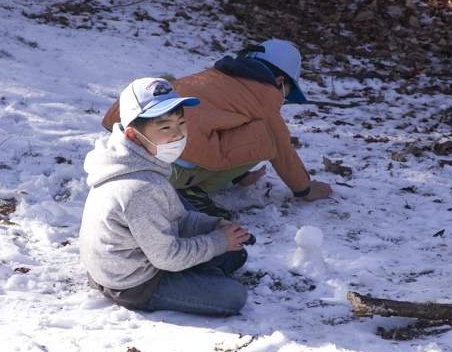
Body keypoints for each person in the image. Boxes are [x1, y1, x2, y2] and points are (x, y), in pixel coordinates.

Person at [102, 39, 333, 219]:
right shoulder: (266, 95)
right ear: (280, 81)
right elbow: (282, 149)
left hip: (136, 146)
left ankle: (136, 146)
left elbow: (218, 123)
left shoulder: (217, 75)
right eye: (287, 92)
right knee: (267, 135)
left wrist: (239, 174)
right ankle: (192, 192)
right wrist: (305, 188)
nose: (284, 99)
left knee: (169, 84)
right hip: (171, 171)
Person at [79, 77, 250, 316]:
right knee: (233, 295)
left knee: (236, 250)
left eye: (181, 123)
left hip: (120, 263)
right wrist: (217, 242)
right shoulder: (141, 189)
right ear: (133, 135)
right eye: (165, 127)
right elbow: (167, 257)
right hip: (132, 283)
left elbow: (174, 216)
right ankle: (198, 273)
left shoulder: (130, 160)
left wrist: (212, 225)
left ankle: (199, 267)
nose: (178, 135)